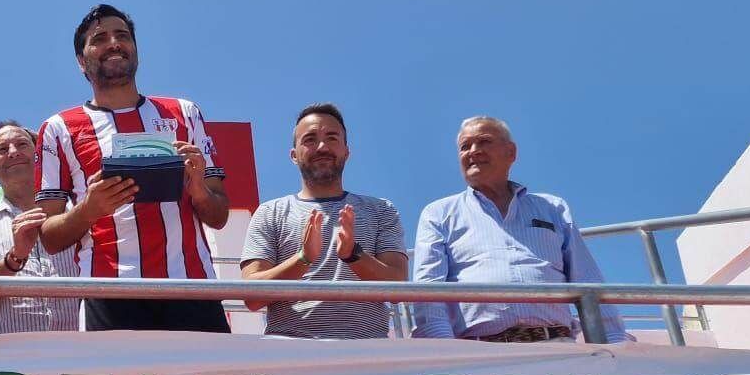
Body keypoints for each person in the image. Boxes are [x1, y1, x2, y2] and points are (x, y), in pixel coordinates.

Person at [35, 3, 231, 332]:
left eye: (122, 36)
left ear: (135, 51)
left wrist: (197, 189)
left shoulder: (184, 112)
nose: (113, 43)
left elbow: (219, 215)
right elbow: (50, 238)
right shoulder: (58, 128)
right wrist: (88, 210)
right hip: (108, 293)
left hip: (191, 288)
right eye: (99, 38)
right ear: (82, 61)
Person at [412, 116, 629, 342]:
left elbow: (587, 280)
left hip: (558, 348)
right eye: (465, 146)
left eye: (484, 141)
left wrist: (613, 342)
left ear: (511, 153)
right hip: (479, 355)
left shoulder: (552, 207)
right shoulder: (438, 213)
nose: (473, 151)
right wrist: (443, 347)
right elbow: (428, 289)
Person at [241, 103, 408, 338]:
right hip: (289, 358)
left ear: (346, 151)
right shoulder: (270, 212)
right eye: (309, 139)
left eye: (331, 138)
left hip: (368, 359)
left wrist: (353, 254)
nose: (322, 147)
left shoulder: (381, 210)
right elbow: (251, 296)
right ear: (293, 155)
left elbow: (399, 288)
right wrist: (303, 259)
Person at [0, 121, 80, 333]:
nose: (13, 152)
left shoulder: (77, 210)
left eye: (22, 144)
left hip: (82, 354)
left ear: (39, 156)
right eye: (2, 149)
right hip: (7, 358)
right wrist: (16, 257)